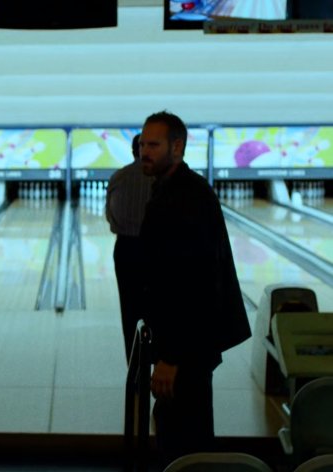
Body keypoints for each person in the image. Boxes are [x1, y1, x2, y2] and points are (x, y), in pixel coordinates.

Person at [138, 111, 251, 466]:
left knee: (186, 440)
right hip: (189, 346)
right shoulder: (172, 189)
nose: (144, 151)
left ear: (178, 146)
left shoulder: (188, 198)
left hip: (186, 349)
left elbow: (195, 284)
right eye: (142, 144)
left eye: (153, 145)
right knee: (180, 431)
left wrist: (172, 356)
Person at [105, 133, 153, 359]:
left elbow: (109, 216)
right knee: (158, 310)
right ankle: (159, 362)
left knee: (130, 310)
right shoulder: (161, 180)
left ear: (132, 151)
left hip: (125, 250)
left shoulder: (118, 177)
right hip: (155, 252)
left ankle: (134, 368)